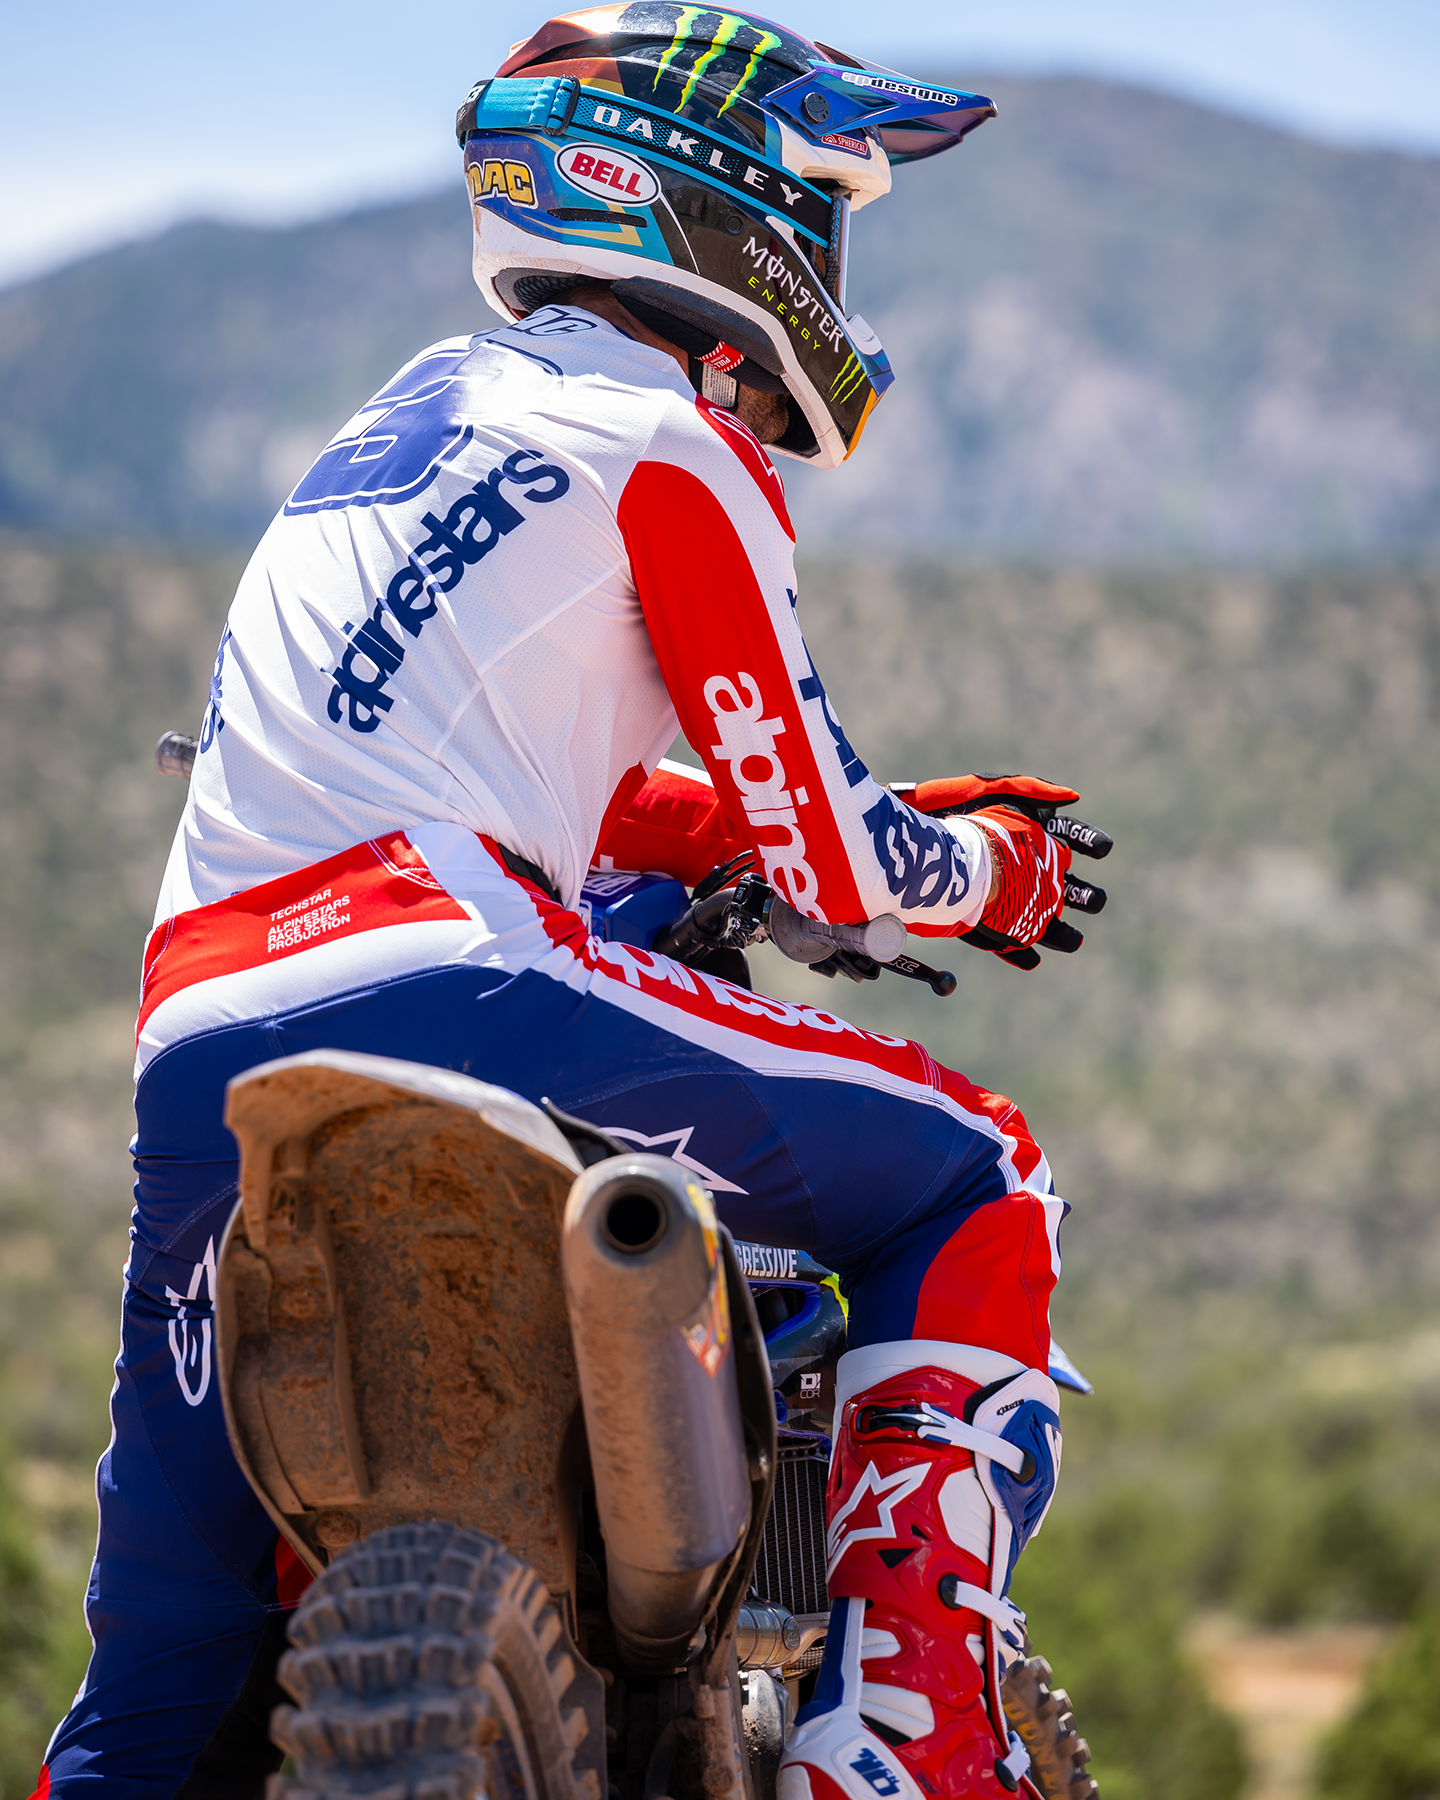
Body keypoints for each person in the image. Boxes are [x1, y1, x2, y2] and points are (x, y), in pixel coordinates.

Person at [34, 10, 1100, 1797]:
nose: (832, 279)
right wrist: (989, 868)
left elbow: (547, 778)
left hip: (204, 1041)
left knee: (157, 1678)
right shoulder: (666, 440)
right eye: (823, 220)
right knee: (978, 1173)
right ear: (725, 207)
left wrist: (746, 837)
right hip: (448, 970)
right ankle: (907, 1740)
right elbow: (831, 863)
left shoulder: (391, 430)